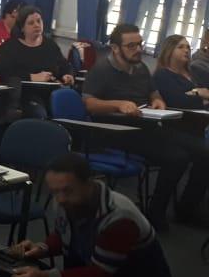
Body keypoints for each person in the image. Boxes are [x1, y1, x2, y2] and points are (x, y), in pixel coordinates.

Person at [8, 154, 174, 277]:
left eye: (67, 190)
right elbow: (64, 234)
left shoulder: (118, 218)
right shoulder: (67, 201)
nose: (60, 199)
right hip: (104, 274)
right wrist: (41, 248)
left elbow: (100, 274)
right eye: (54, 191)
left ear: (89, 183)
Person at [82, 23, 209, 229]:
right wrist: (118, 104)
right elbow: (90, 104)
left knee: (203, 152)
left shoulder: (140, 68)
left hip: (145, 125)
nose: (138, 49)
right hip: (116, 131)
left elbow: (153, 93)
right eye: (131, 46)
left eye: (140, 44)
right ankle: (156, 211)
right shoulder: (102, 69)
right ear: (115, 48)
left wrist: (157, 101)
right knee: (177, 157)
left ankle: (186, 209)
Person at [0, 6, 73, 119]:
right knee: (39, 114)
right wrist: (31, 77)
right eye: (31, 23)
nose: (36, 25)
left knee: (69, 111)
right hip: (22, 96)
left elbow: (63, 64)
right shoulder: (9, 48)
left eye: (39, 21)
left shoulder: (50, 45)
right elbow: (4, 73)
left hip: (50, 92)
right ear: (22, 28)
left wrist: (67, 74)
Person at [152, 34, 209, 112]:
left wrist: (193, 94)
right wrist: (197, 92)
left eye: (188, 47)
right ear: (169, 51)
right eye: (180, 47)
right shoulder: (162, 75)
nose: (186, 50)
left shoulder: (195, 71)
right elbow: (180, 101)